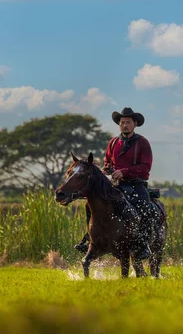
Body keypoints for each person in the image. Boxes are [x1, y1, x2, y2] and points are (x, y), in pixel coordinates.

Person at [74, 107, 155, 260]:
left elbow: (146, 167)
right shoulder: (112, 143)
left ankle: (143, 244)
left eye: (128, 123)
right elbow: (107, 162)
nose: (125, 125)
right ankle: (90, 239)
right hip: (115, 185)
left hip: (136, 185)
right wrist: (106, 170)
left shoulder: (143, 143)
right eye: (122, 122)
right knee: (90, 205)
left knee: (145, 207)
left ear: (135, 124)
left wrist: (124, 172)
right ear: (119, 125)